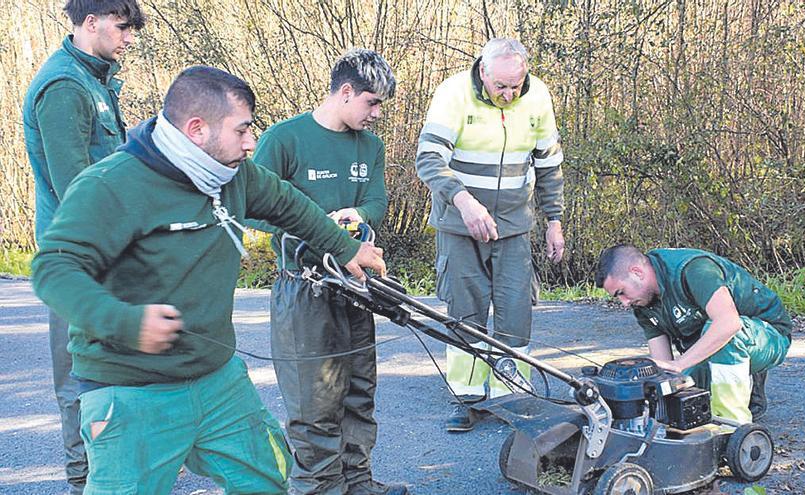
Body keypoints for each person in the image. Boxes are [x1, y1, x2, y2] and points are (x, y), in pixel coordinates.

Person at [30, 65, 386, 494]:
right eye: (242, 131)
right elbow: (54, 268)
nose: (252, 143)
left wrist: (347, 248)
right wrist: (125, 323)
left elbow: (290, 205)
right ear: (197, 129)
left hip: (218, 381)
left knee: (270, 479)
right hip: (131, 392)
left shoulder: (235, 174)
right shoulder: (111, 185)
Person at [248, 48, 405, 495]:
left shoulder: (369, 146)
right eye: (372, 102)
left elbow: (377, 201)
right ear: (346, 91)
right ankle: (319, 488)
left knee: (358, 391)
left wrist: (353, 215)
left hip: (355, 285)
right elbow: (252, 205)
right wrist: (317, 224)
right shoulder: (285, 139)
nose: (376, 113)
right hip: (304, 289)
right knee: (315, 402)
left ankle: (357, 481)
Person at [22, 0, 145, 491]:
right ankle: (85, 479)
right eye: (122, 28)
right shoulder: (64, 86)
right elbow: (77, 188)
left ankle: (119, 469)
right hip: (79, 257)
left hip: (109, 249)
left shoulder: (94, 80)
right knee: (81, 371)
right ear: (89, 22)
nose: (129, 39)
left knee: (120, 364)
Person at [415, 38, 565, 432]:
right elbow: (428, 158)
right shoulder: (453, 93)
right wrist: (463, 201)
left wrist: (554, 220)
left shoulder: (538, 97)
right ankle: (467, 397)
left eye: (515, 86)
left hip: (514, 226)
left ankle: (510, 396)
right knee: (466, 312)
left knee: (516, 310)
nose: (508, 94)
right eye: (501, 86)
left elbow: (549, 164)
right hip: (460, 224)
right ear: (483, 71)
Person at [594, 244, 793, 423]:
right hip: (709, 348)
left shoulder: (693, 269)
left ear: (637, 272)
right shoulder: (642, 303)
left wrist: (680, 364)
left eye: (621, 292)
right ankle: (744, 388)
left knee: (722, 332)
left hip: (767, 334)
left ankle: (731, 427)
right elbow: (665, 368)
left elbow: (729, 323)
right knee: (682, 398)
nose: (624, 302)